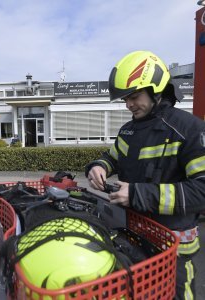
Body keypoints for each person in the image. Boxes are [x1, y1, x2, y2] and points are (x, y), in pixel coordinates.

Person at [85, 50, 205, 300]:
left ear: (156, 89)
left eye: (134, 96)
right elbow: (112, 157)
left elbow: (202, 191)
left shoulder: (189, 129)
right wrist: (98, 167)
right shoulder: (128, 130)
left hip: (174, 252)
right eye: (125, 99)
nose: (128, 104)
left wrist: (138, 194)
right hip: (134, 242)